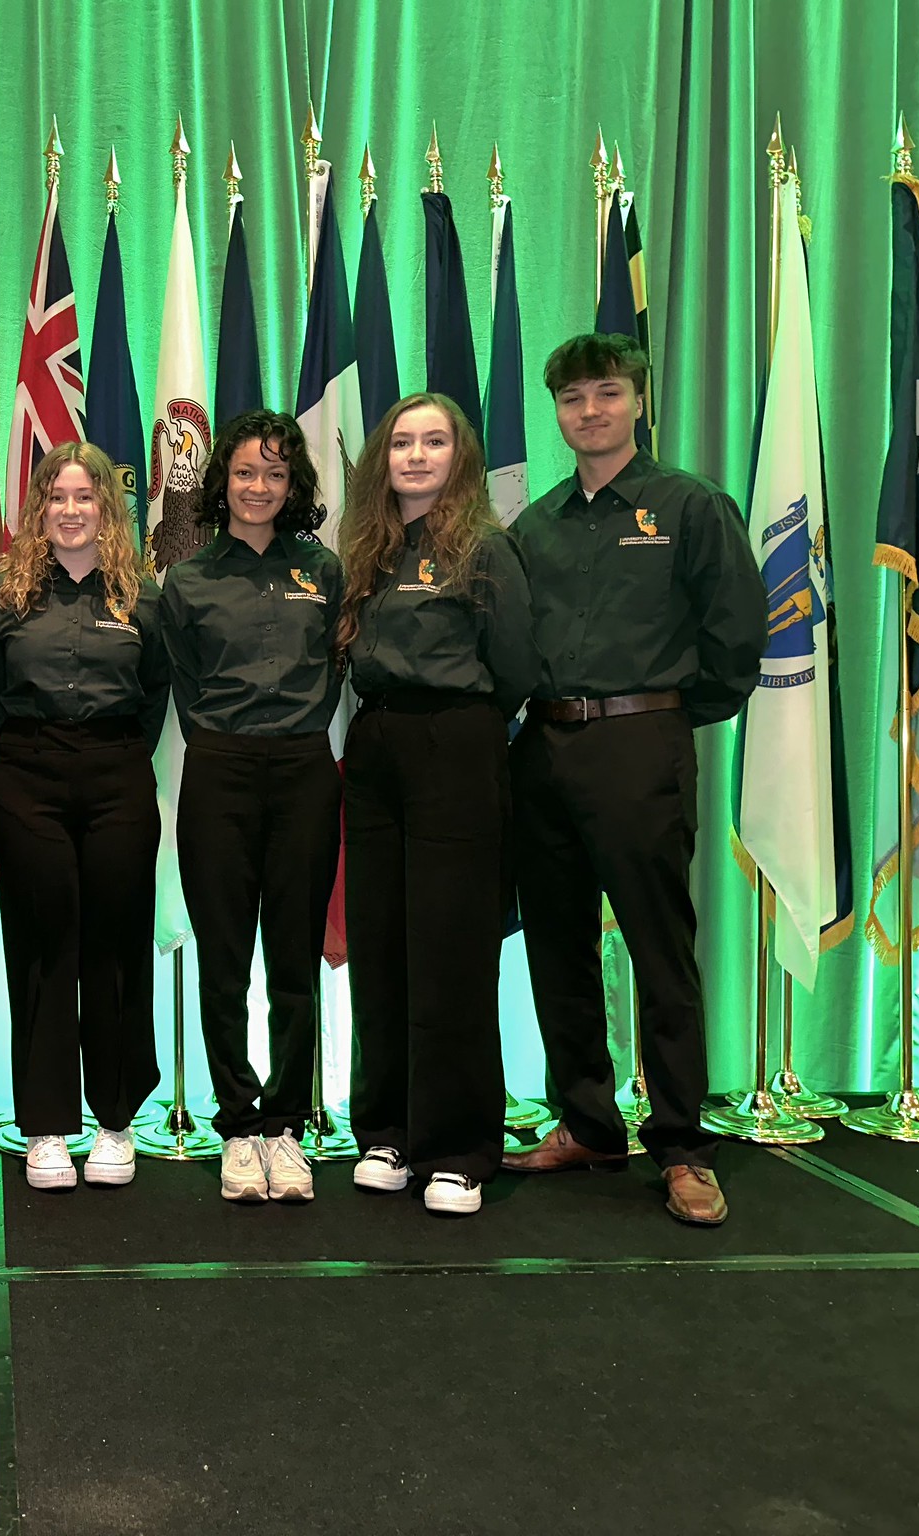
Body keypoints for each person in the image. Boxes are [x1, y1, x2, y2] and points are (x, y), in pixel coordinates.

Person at [503, 335, 765, 1226]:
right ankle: (587, 1123)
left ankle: (683, 1145)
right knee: (557, 945)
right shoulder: (533, 526)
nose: (590, 412)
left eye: (606, 394)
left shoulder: (689, 507)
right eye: (573, 399)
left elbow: (736, 640)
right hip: (543, 751)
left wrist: (662, 721)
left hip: (641, 744)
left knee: (659, 948)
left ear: (638, 402)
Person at [337, 394, 539, 1217]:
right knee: (381, 945)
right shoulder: (367, 551)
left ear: (461, 456)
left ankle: (458, 1148)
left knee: (452, 950)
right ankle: (386, 1131)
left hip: (457, 748)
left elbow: (518, 666)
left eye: (434, 442)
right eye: (402, 444)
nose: (416, 456)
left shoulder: (486, 549)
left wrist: (467, 733)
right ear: (382, 458)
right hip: (378, 752)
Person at [159, 410, 343, 1204]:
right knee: (225, 957)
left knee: (293, 961)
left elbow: (333, 674)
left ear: (292, 484)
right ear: (220, 482)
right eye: (243, 472)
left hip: (303, 768)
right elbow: (182, 682)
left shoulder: (325, 571)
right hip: (220, 769)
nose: (258, 486)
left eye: (274, 473)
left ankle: (286, 1127)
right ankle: (236, 1126)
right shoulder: (190, 578)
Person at [0, 442, 164, 1192]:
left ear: (106, 509)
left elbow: (156, 695)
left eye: (85, 496)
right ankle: (47, 1126)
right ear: (39, 508)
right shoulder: (4, 596)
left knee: (115, 946)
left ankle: (115, 1120)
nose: (72, 510)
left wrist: (114, 756)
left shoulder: (143, 596)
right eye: (57, 496)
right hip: (27, 777)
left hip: (119, 775)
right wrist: (34, 756)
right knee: (41, 945)